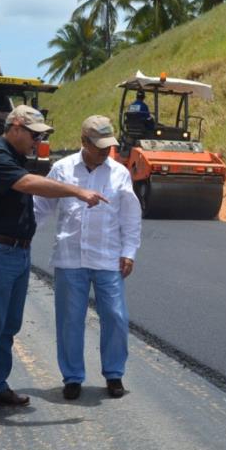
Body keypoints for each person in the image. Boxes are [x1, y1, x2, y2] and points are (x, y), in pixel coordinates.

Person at [0, 105, 107, 427]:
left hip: (15, 253)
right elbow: (27, 185)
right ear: (17, 126)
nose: (38, 141)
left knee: (7, 327)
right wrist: (77, 190)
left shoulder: (14, 157)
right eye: (35, 135)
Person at [34, 115, 141, 401]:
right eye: (99, 146)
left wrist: (128, 252)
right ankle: (72, 377)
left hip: (108, 259)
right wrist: (18, 232)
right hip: (71, 259)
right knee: (70, 320)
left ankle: (114, 374)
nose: (106, 150)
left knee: (116, 317)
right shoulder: (62, 169)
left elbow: (130, 217)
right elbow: (41, 206)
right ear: (84, 142)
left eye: (109, 145)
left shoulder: (119, 173)